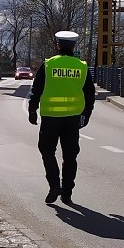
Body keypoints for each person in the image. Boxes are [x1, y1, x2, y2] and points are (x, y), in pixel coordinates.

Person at [28, 31, 95, 204]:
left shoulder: (49, 65)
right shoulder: (82, 67)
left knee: (47, 151)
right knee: (70, 156)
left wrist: (32, 110)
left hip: (51, 117)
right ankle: (67, 193)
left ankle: (54, 185)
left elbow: (37, 89)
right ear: (74, 47)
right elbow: (89, 93)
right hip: (73, 118)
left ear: (58, 46)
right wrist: (87, 114)